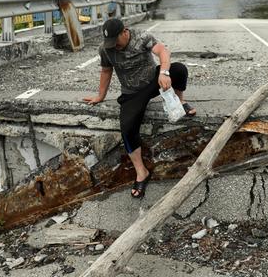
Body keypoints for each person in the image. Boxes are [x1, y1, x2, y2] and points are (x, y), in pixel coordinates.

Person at [83, 18, 196, 199]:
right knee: (127, 128)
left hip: (152, 82)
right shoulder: (105, 49)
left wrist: (164, 72)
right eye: (110, 42)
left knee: (179, 69)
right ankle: (141, 172)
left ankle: (180, 102)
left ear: (124, 31)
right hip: (131, 93)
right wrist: (100, 96)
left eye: (116, 41)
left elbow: (163, 51)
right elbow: (106, 71)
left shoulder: (141, 37)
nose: (114, 46)